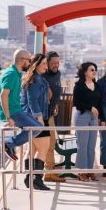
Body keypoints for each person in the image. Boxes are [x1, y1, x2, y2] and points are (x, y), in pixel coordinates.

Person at [0, 49, 41, 163]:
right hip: (14, 112)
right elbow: (3, 95)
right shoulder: (11, 74)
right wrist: (8, 117)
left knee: (38, 126)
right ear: (22, 60)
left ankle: (10, 145)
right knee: (36, 128)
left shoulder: (15, 73)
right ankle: (8, 144)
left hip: (17, 109)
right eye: (29, 60)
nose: (30, 63)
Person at [20, 53, 51, 191]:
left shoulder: (32, 78)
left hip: (29, 118)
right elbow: (32, 101)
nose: (46, 66)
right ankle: (37, 179)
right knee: (43, 148)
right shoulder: (35, 80)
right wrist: (39, 118)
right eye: (43, 63)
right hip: (35, 119)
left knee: (32, 149)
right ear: (36, 65)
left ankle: (28, 177)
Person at [73, 62, 105, 182]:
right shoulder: (79, 86)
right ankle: (81, 171)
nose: (94, 71)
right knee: (83, 145)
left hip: (94, 118)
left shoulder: (96, 86)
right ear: (85, 72)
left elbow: (100, 104)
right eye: (92, 70)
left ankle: (89, 169)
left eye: (95, 69)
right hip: (82, 116)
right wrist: (89, 107)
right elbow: (76, 102)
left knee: (91, 146)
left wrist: (103, 119)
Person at [42, 51, 66, 183]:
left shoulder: (58, 74)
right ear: (47, 63)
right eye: (53, 63)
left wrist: (55, 103)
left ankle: (48, 171)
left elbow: (57, 90)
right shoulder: (42, 76)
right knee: (48, 143)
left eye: (58, 62)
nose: (56, 65)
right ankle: (48, 173)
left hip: (50, 113)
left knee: (51, 142)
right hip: (42, 115)